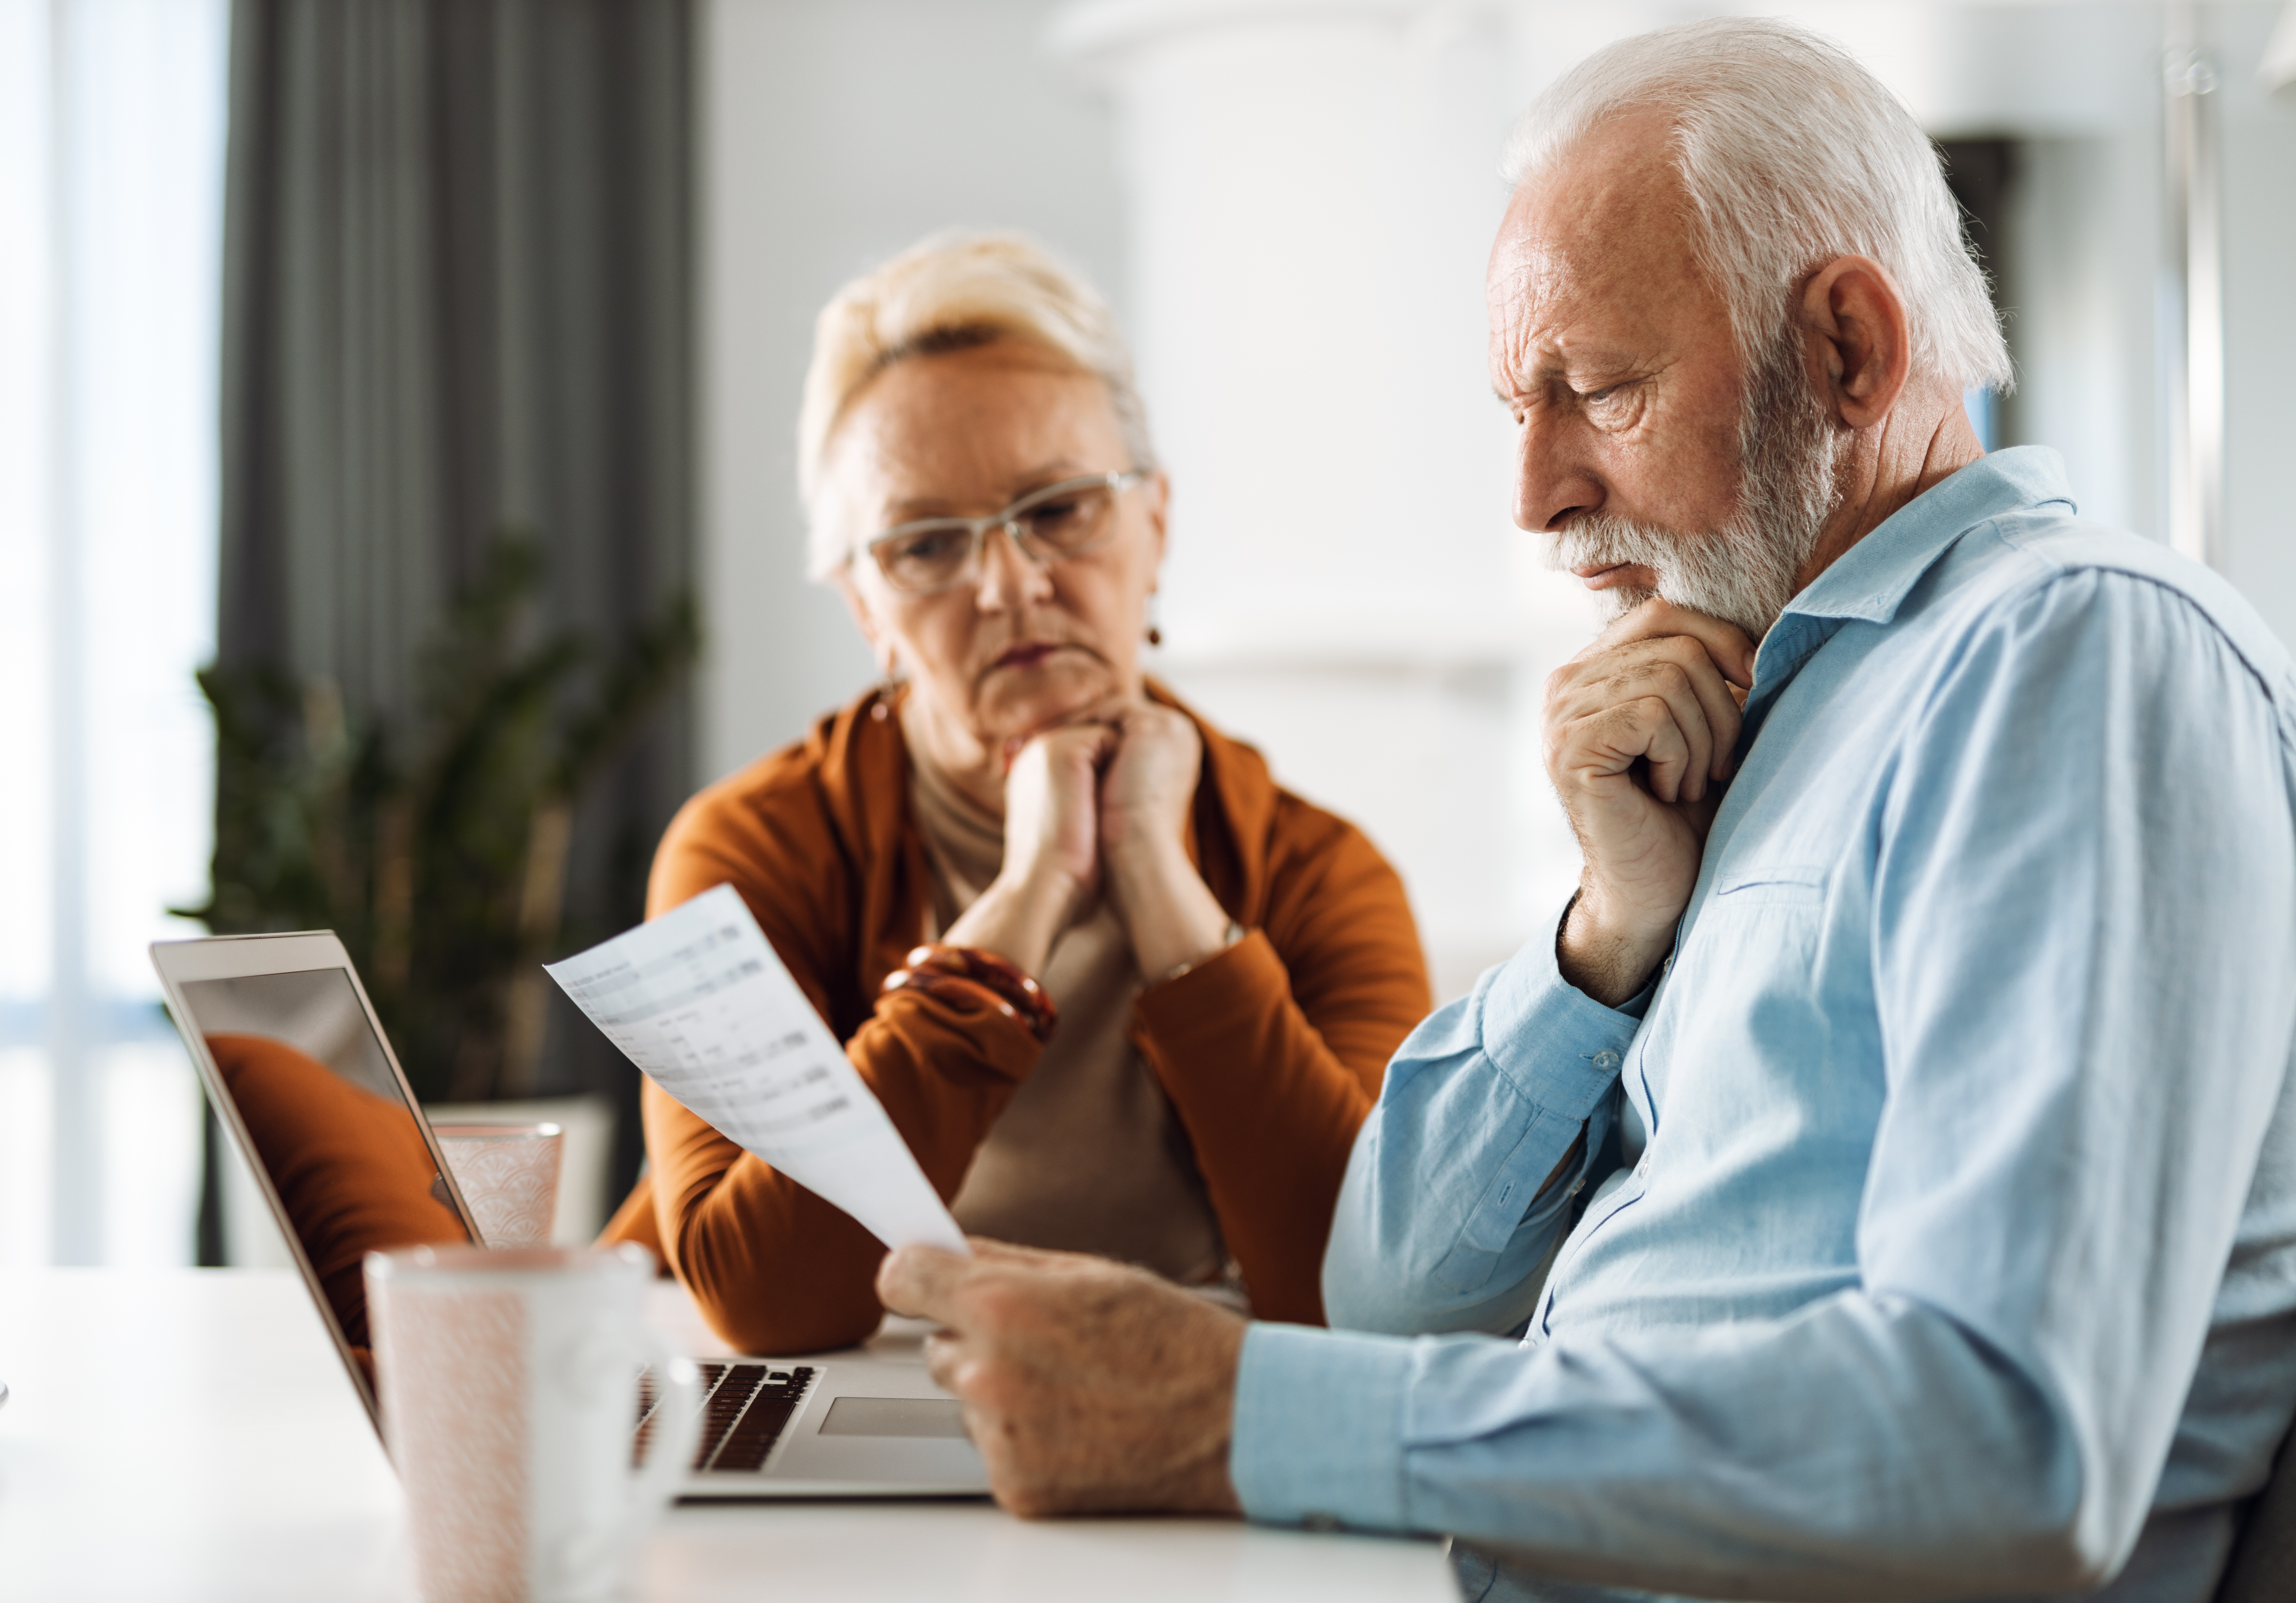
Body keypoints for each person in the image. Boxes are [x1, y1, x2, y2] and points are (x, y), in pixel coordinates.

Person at [873, 19, 2296, 1601]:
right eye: (1516, 408)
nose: (1535, 495)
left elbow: (2007, 1444)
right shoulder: (1755, 714)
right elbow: (1388, 1291)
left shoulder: (2072, 658)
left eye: (1597, 389)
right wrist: (1606, 934)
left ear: (1847, 351)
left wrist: (1234, 1416)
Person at [600, 232, 1433, 1355]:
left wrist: (1154, 875)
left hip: (1160, 1410)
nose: (1010, 584)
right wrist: (1031, 891)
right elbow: (769, 1304)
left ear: (1157, 524)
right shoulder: (750, 847)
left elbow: (1364, 1295)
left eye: (1058, 510)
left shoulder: (1316, 869)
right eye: (928, 544)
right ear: (865, 608)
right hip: (842, 1419)